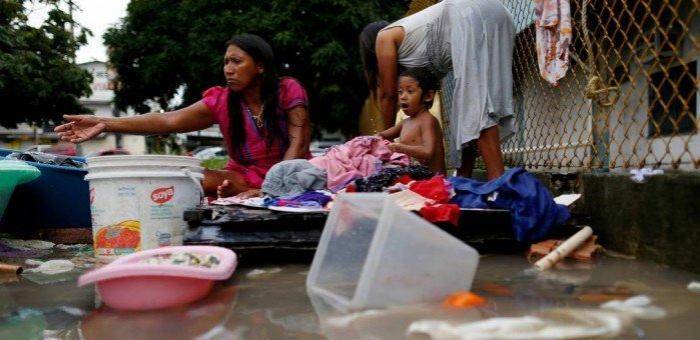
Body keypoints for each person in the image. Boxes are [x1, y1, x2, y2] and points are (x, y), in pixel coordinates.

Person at [55, 34, 311, 198]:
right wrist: (105, 123)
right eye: (225, 62)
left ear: (261, 66)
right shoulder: (221, 100)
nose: (228, 69)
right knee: (183, 179)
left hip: (291, 174)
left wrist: (269, 192)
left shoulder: (288, 89)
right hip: (241, 177)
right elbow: (168, 120)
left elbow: (298, 144)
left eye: (236, 61)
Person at [359, 0, 515, 180]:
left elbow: (388, 95)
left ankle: (498, 183)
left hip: (468, 13)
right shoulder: (414, 57)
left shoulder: (384, 38)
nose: (404, 95)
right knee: (470, 109)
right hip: (499, 13)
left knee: (476, 109)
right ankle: (463, 181)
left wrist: (386, 148)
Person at [377, 67, 446, 175]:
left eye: (410, 91)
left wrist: (399, 148)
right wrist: (371, 140)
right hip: (414, 180)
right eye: (400, 92)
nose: (403, 97)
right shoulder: (405, 123)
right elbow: (383, 135)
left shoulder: (427, 121)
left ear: (428, 96)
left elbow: (428, 152)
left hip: (433, 182)